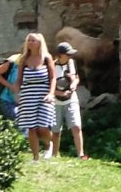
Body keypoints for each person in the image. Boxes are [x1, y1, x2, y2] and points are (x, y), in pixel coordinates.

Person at [14, 32, 57, 161]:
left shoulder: (46, 58)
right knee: (32, 127)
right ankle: (36, 157)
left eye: (33, 40)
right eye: (29, 40)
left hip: (44, 94)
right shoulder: (24, 59)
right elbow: (19, 78)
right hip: (28, 95)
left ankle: (49, 145)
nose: (30, 43)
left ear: (40, 43)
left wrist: (51, 93)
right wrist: (16, 90)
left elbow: (53, 77)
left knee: (43, 126)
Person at [52, 41, 88, 158]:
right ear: (60, 55)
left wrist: (74, 84)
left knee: (76, 126)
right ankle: (55, 154)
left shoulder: (72, 63)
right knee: (56, 130)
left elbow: (76, 77)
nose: (70, 56)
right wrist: (60, 93)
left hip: (71, 99)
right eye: (68, 54)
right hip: (56, 101)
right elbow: (48, 88)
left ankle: (81, 154)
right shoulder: (51, 67)